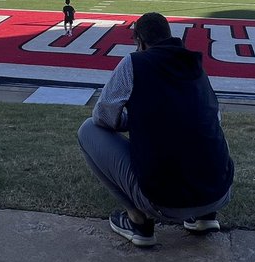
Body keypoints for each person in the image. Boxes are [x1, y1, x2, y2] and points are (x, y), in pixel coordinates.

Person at [77, 12, 234, 248]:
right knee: (206, 126)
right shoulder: (196, 65)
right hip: (218, 193)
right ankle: (204, 216)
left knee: (87, 129)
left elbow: (103, 116)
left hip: (164, 201)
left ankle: (138, 220)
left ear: (140, 41)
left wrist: (134, 121)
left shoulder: (134, 63)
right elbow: (213, 118)